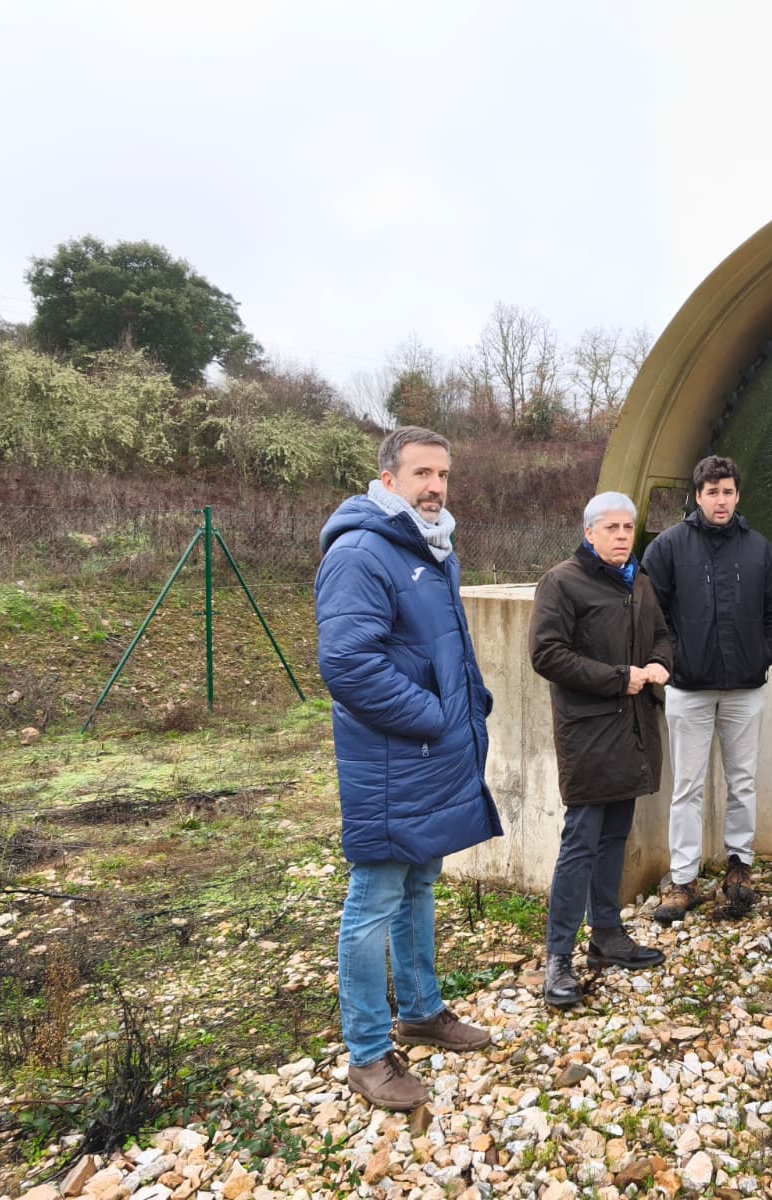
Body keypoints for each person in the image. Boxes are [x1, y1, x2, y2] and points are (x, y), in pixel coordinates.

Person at [315, 426, 501, 1111]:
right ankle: (367, 1054)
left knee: (421, 881)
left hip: (429, 757)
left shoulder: (430, 547)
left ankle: (422, 1010)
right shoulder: (363, 552)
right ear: (387, 480)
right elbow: (347, 664)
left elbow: (445, 644)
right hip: (393, 762)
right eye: (423, 473)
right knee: (372, 902)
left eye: (444, 474)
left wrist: (471, 703)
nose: (436, 487)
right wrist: (432, 716)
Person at [529, 492, 673, 1008]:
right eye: (611, 527)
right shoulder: (563, 582)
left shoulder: (640, 584)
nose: (620, 536)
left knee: (615, 836)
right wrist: (620, 678)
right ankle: (558, 958)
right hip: (589, 735)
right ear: (589, 532)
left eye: (628, 527)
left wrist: (659, 664)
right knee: (581, 842)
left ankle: (607, 936)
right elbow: (546, 654)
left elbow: (662, 636)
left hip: (633, 730)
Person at [641, 455, 772, 923]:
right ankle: (683, 880)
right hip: (688, 687)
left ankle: (739, 868)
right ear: (698, 496)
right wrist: (675, 659)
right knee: (687, 785)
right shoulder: (668, 548)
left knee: (742, 781)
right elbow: (649, 612)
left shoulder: (759, 550)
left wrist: (761, 655)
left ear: (737, 495)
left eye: (727, 492)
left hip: (745, 688)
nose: (720, 501)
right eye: (712, 493)